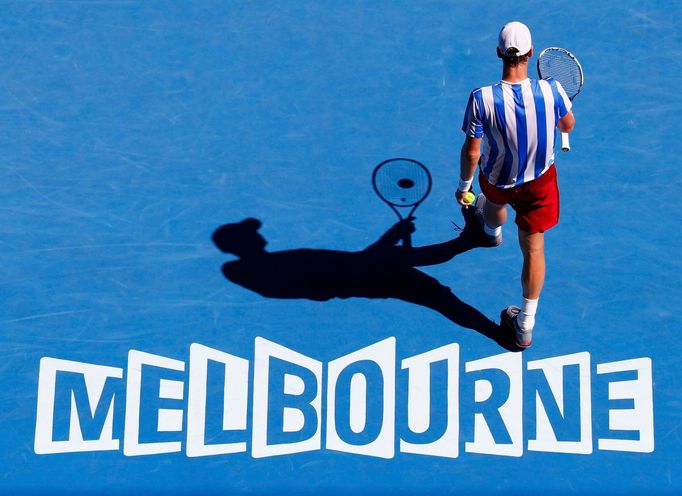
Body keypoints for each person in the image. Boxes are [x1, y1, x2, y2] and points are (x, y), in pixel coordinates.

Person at [455, 21, 575, 349]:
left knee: (492, 205)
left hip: (497, 180)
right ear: (531, 53)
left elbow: (472, 151)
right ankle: (525, 324)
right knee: (534, 248)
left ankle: (491, 233)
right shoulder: (552, 90)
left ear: (498, 54)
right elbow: (568, 124)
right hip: (540, 182)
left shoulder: (481, 98)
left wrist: (464, 184)